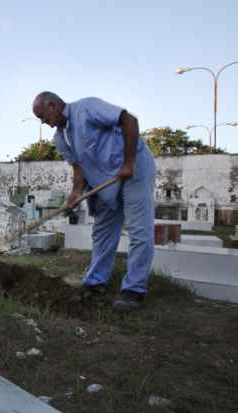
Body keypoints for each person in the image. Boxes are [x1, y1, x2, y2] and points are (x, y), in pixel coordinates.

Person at [32, 91, 156, 312]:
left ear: (53, 105)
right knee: (103, 230)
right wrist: (76, 191)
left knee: (138, 229)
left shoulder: (87, 108)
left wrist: (129, 162)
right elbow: (78, 166)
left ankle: (133, 290)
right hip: (105, 181)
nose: (43, 122)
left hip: (133, 168)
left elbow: (129, 120)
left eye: (43, 116)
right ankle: (96, 282)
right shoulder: (60, 138)